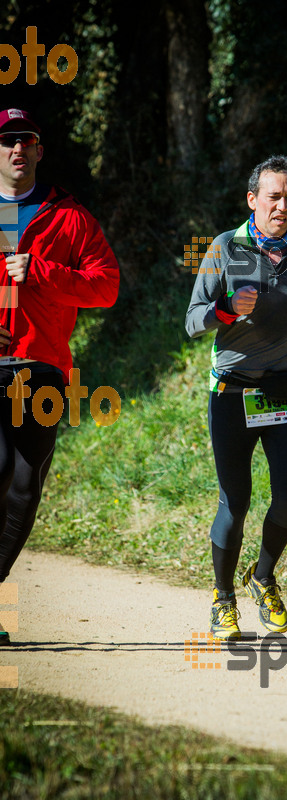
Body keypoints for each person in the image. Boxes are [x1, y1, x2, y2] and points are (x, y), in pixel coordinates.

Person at [185, 154, 287, 639]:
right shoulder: (226, 248)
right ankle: (222, 598)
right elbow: (192, 320)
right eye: (274, 196)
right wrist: (225, 311)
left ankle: (263, 577)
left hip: (285, 389)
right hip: (232, 391)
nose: (283, 206)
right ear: (253, 199)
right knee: (237, 502)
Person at [0, 108, 119, 645]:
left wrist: (45, 273)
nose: (16, 149)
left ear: (40, 150)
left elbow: (106, 287)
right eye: (6, 141)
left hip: (42, 366)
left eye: (25, 140)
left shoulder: (68, 217)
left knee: (25, 488)